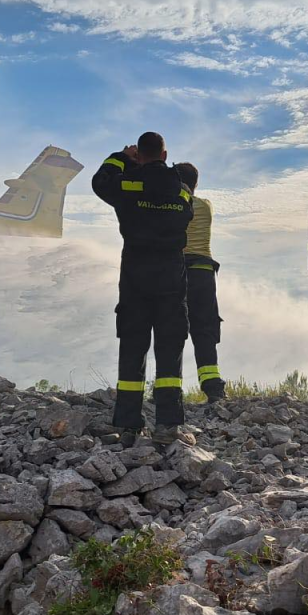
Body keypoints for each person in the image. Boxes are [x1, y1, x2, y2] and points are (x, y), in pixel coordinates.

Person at [92, 132, 195, 444]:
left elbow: (101, 181)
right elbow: (185, 211)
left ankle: (128, 422)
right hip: (171, 278)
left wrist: (122, 157)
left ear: (140, 155)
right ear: (165, 155)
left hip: (135, 276)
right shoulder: (182, 192)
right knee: (170, 347)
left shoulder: (127, 185)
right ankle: (168, 423)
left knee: (133, 346)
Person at [174, 162, 226, 403]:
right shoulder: (207, 206)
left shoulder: (173, 206)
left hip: (177, 271)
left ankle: (169, 388)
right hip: (204, 274)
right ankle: (214, 389)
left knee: (171, 331)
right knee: (204, 330)